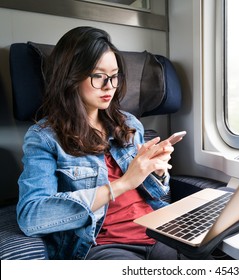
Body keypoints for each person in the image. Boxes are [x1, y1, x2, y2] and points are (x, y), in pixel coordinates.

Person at [16, 26, 182, 260]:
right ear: (70, 77)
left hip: (157, 230)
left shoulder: (129, 124)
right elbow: (31, 216)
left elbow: (153, 192)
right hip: (105, 245)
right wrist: (123, 184)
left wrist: (156, 171)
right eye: (97, 76)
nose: (109, 86)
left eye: (114, 76)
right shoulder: (43, 137)